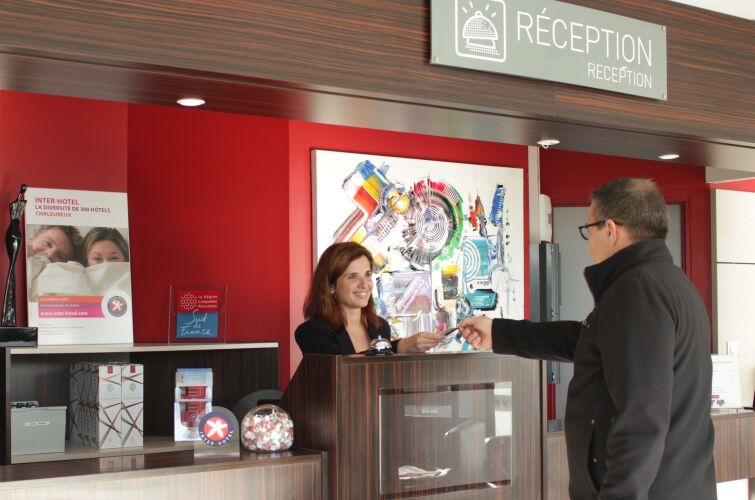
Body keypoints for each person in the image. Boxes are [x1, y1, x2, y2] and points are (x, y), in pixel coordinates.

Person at [459, 178, 716, 500]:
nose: (588, 242)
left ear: (610, 230)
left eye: (588, 230)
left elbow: (641, 418)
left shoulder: (638, 291)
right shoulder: (667, 282)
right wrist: (498, 333)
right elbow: (585, 341)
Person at [296, 242, 445, 355]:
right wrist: (400, 347)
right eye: (352, 277)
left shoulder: (381, 327)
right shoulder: (312, 332)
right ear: (331, 286)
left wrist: (409, 349)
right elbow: (343, 368)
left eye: (367, 275)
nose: (364, 284)